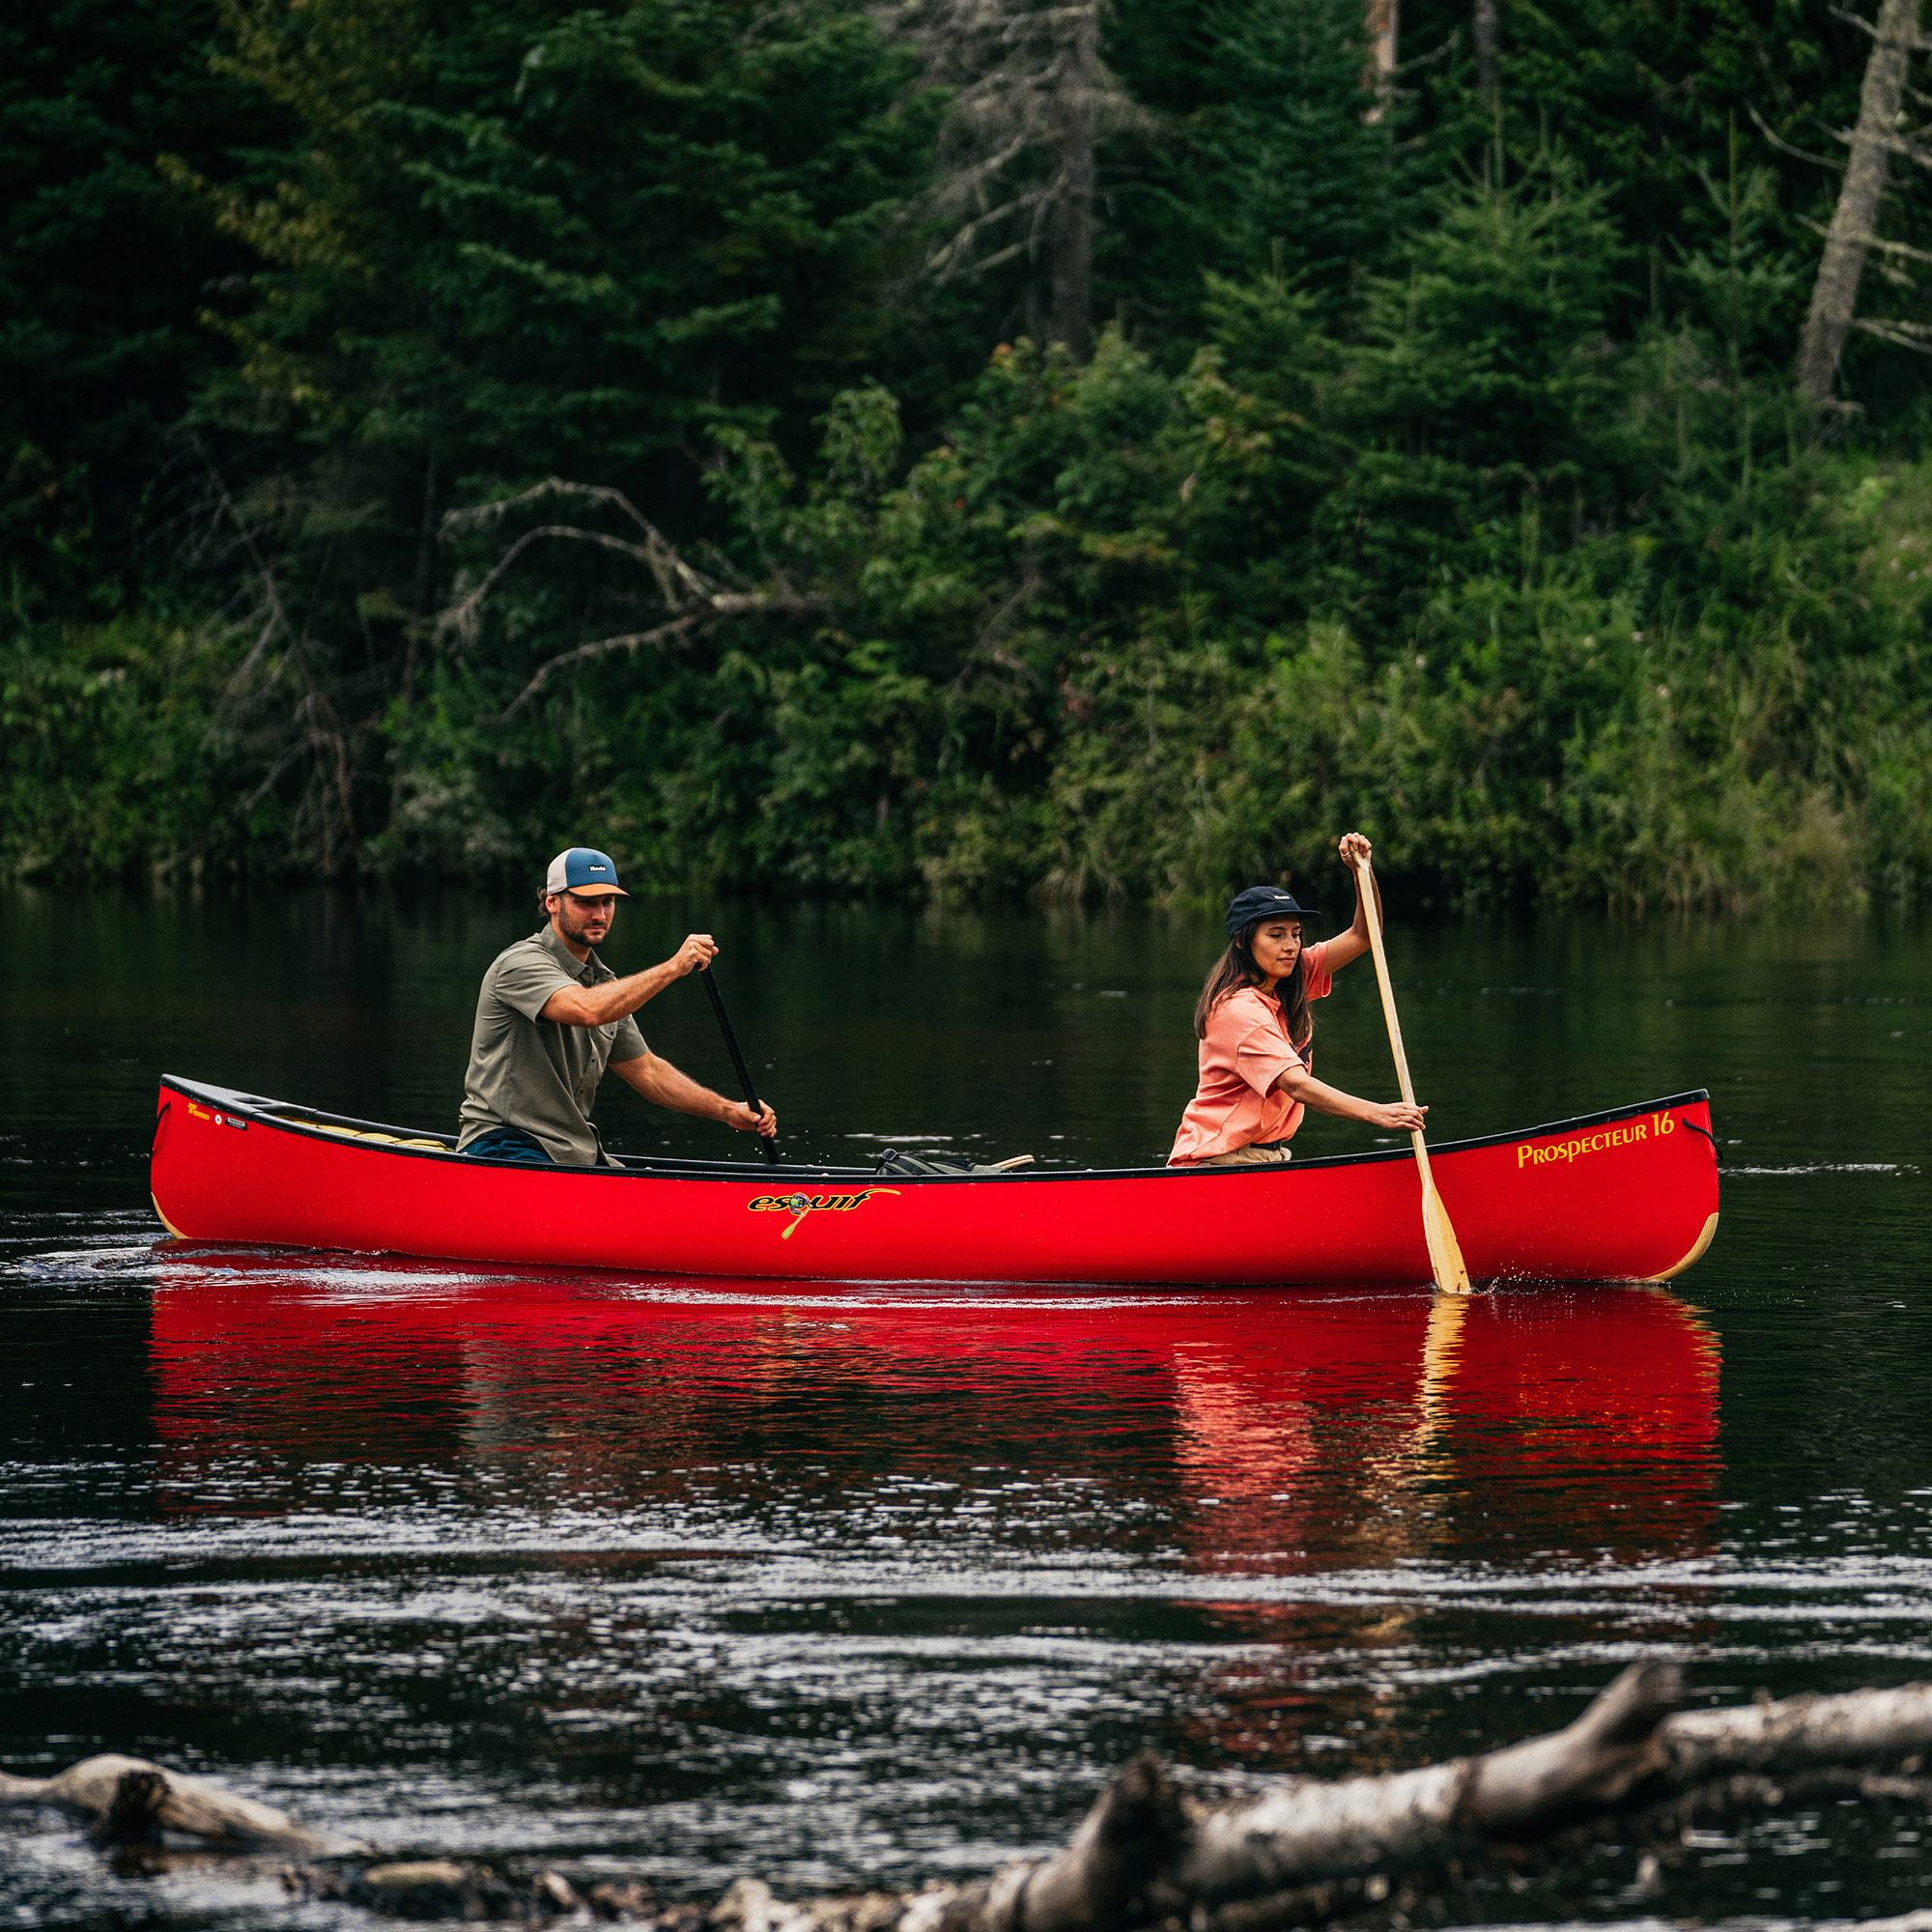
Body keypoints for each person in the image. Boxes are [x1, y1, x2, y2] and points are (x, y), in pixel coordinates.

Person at [457, 846, 779, 1166]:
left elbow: (648, 1072)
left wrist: (727, 1110)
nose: (599, 915)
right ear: (552, 902)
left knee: (644, 1191)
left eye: (607, 901)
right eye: (585, 902)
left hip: (571, 1150)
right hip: (504, 1144)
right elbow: (586, 1011)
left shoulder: (604, 986)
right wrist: (673, 967)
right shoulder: (520, 963)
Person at [1168, 831, 1427, 1167]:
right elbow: (1296, 1085)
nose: (1290, 946)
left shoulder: (1291, 976)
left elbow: (1366, 936)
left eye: (1296, 934)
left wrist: (1361, 872)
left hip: (1267, 1156)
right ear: (1242, 942)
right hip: (1218, 1160)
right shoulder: (1238, 1010)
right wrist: (1377, 1113)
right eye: (1276, 935)